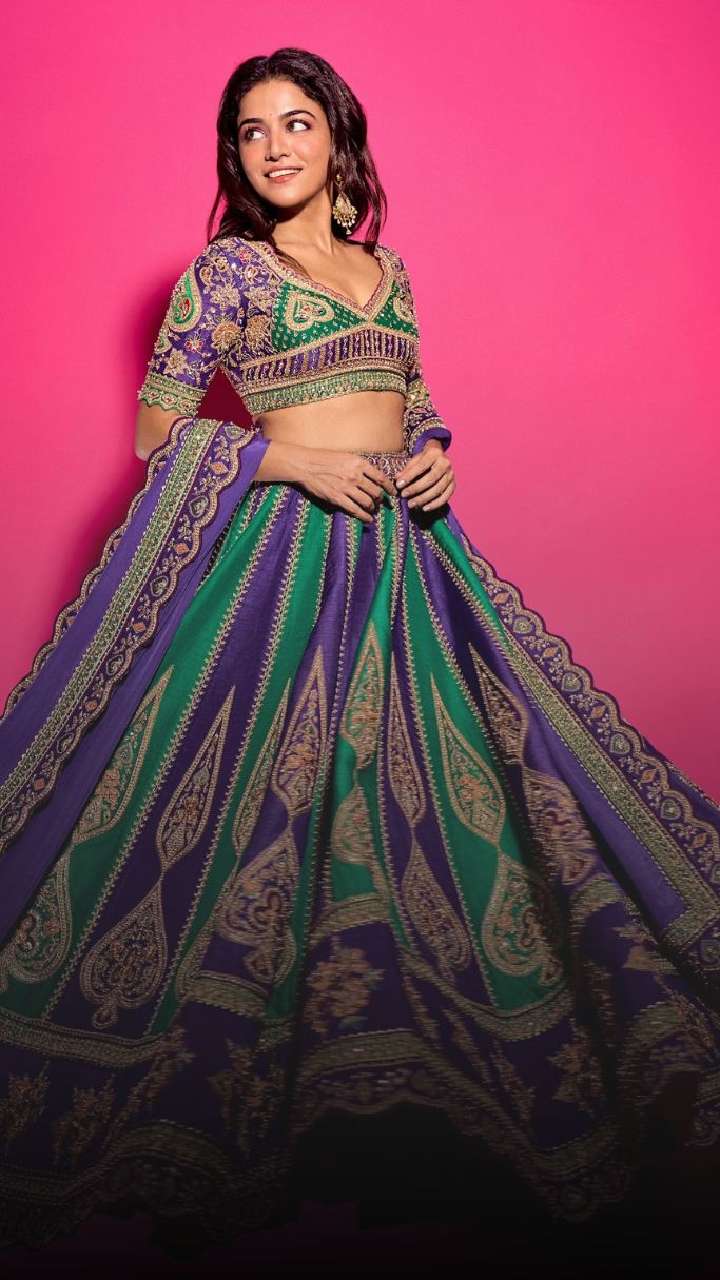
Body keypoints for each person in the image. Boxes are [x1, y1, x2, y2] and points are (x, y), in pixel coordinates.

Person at [1, 44, 720, 1256]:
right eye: (250, 130)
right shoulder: (228, 273)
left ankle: (408, 1095)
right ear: (234, 158)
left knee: (451, 794)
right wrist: (286, 458)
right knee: (257, 811)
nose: (273, 146)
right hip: (279, 570)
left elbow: (412, 397)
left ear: (340, 137)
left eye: (296, 122)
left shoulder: (390, 270)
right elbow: (157, 432)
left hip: (407, 562)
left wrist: (433, 453)